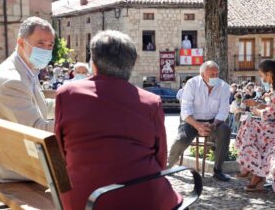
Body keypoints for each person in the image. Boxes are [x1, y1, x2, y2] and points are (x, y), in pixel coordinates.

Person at [55, 30, 181, 210]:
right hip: (143, 199)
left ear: (94, 63)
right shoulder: (151, 102)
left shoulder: (67, 94)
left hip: (83, 200)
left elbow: (61, 152)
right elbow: (160, 160)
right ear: (132, 64)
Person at [0, 17, 56, 189]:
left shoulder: (24, 67)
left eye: (50, 45)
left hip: (9, 153)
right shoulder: (12, 80)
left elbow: (40, 106)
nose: (46, 50)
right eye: (40, 43)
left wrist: (73, 104)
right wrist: (79, 123)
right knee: (81, 165)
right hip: (0, 165)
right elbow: (37, 130)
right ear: (21, 42)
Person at [235, 60, 275, 197]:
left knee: (253, 128)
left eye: (262, 75)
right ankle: (252, 169)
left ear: (269, 74)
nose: (262, 78)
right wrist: (259, 104)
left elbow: (271, 112)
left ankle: (251, 169)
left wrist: (256, 110)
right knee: (250, 126)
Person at [167, 60, 231, 181]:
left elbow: (223, 111)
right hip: (192, 121)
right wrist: (198, 126)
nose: (215, 77)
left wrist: (213, 124)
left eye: (217, 74)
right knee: (181, 138)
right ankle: (169, 166)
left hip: (213, 122)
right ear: (202, 75)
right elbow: (185, 111)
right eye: (212, 75)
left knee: (225, 130)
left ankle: (218, 170)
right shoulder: (192, 84)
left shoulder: (224, 87)